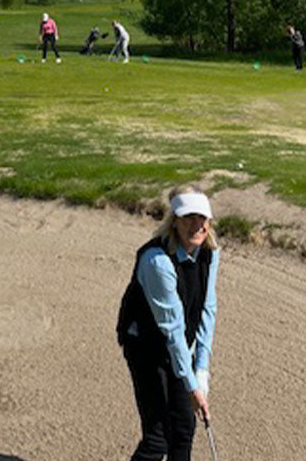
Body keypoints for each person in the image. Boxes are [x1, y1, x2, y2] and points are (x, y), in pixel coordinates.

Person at [116, 185, 219, 461]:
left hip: (176, 345)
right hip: (145, 345)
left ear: (209, 221)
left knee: (184, 427)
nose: (196, 225)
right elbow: (172, 329)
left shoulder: (210, 253)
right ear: (174, 221)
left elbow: (207, 310)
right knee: (158, 437)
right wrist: (192, 389)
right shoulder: (157, 262)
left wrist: (201, 372)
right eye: (188, 218)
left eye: (202, 219)